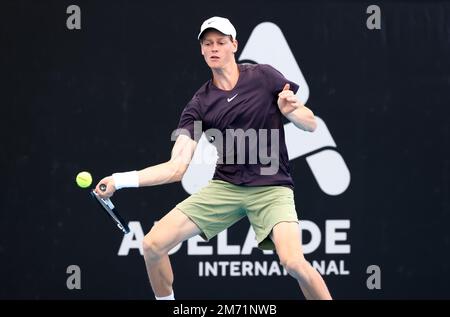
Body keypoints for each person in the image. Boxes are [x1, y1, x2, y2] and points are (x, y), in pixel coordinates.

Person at [95, 16, 332, 300]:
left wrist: (291, 110)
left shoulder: (264, 76)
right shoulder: (199, 105)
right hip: (226, 188)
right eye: (208, 43)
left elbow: (311, 123)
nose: (214, 48)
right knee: (152, 244)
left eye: (221, 42)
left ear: (234, 45)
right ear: (202, 50)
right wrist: (120, 180)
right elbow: (176, 168)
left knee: (293, 262)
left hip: (272, 188)